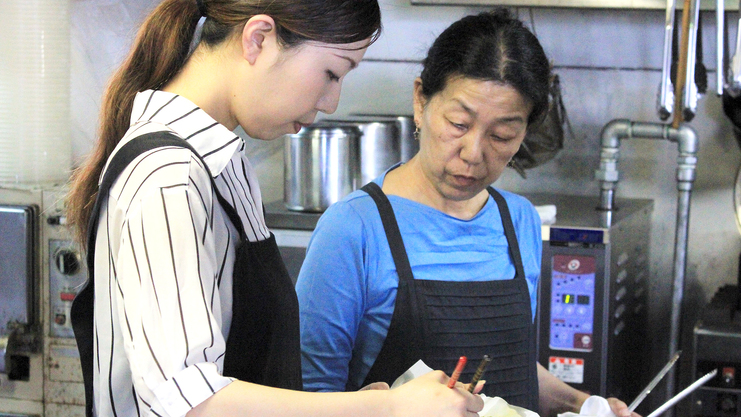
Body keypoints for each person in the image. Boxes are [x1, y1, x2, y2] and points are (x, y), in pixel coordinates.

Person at [65, 1, 485, 416]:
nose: (331, 101)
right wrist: (384, 408)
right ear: (258, 39)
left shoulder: (220, 162)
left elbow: (243, 370)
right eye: (331, 73)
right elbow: (187, 401)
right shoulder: (170, 176)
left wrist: (353, 407)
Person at [296, 9, 638, 417]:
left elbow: (510, 365)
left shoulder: (520, 220)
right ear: (421, 100)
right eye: (459, 123)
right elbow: (310, 394)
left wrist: (585, 405)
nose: (473, 154)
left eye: (501, 135)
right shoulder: (354, 228)